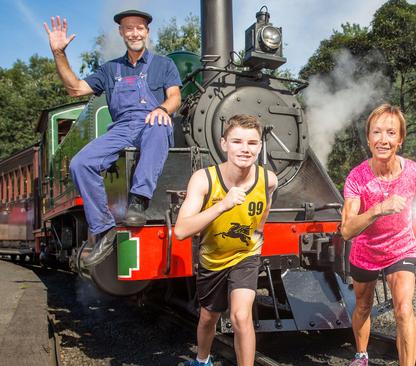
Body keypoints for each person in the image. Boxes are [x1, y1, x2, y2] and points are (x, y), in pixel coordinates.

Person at [43, 10, 182, 266]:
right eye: (129, 28)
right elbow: (74, 88)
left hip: (152, 121)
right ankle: (105, 230)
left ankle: (138, 201)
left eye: (139, 28)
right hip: (121, 127)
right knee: (79, 163)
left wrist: (163, 109)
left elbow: (174, 97)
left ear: (147, 32)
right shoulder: (109, 70)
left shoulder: (164, 65)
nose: (134, 32)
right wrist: (59, 53)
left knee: (160, 125)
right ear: (121, 32)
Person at [174, 115, 278, 366]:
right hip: (212, 258)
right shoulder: (203, 179)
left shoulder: (269, 181)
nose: (245, 148)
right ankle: (201, 360)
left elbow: (262, 217)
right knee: (209, 317)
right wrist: (222, 205)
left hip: (246, 255)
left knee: (241, 316)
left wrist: (253, 242)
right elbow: (180, 231)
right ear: (223, 144)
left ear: (260, 146)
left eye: (252, 143)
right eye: (237, 141)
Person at [340, 103, 416, 366]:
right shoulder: (357, 177)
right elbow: (346, 230)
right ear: (369, 138)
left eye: (391, 133)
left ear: (400, 139)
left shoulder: (415, 172)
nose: (383, 139)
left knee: (404, 309)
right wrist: (379, 209)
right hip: (365, 251)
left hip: (401, 247)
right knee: (362, 306)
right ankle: (361, 355)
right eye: (377, 132)